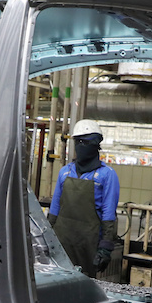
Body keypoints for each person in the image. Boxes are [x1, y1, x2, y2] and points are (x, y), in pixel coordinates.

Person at [47, 119, 120, 277]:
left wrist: (105, 248)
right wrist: (46, 238)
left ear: (96, 145)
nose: (81, 146)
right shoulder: (65, 172)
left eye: (86, 142)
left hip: (88, 246)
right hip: (62, 243)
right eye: (78, 142)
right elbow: (54, 210)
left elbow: (108, 215)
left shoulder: (107, 175)